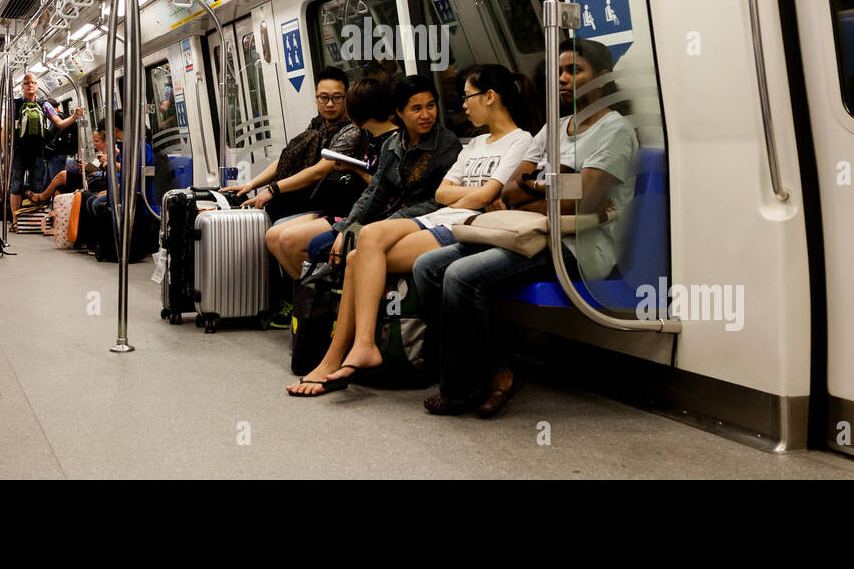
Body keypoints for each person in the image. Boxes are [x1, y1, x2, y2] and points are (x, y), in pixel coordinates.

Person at [413, 38, 637, 416]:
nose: (563, 78)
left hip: (582, 244)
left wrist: (541, 184)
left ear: (603, 77)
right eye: (559, 71)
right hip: (532, 231)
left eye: (574, 71)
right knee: (427, 267)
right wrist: (557, 181)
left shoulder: (614, 131)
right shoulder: (555, 127)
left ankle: (461, 389)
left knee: (462, 276)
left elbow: (584, 203)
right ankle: (497, 368)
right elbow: (513, 190)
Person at [289, 64, 535, 396]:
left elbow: (485, 194)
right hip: (443, 216)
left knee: (360, 254)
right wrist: (476, 194)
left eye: (466, 98)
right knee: (358, 250)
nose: (460, 106)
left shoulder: (514, 142)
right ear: (400, 113)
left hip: (463, 225)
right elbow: (442, 194)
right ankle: (345, 352)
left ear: (489, 97)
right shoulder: (473, 145)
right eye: (416, 108)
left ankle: (349, 353)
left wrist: (474, 194)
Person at [266, 75, 459, 282]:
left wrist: (365, 226)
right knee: (309, 241)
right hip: (380, 216)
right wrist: (348, 228)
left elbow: (432, 201)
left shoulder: (446, 145)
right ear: (400, 112)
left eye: (430, 106)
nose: (426, 115)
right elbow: (374, 192)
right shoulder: (394, 145)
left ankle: (330, 302)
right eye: (417, 109)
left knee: (325, 247)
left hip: (410, 220)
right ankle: (322, 303)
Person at [225, 66, 364, 221]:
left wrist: (273, 189)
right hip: (309, 198)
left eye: (337, 97)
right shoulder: (318, 125)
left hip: (333, 203)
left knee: (277, 228)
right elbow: (289, 158)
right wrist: (252, 184)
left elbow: (319, 171)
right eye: (324, 97)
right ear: (316, 98)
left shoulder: (351, 131)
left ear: (346, 98)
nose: (330, 104)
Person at [7, 72, 82, 219]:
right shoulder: (15, 105)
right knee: (16, 186)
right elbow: (7, 128)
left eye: (33, 83)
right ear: (22, 86)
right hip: (18, 150)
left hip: (38, 151)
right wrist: (5, 151)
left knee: (37, 185)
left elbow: (59, 123)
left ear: (37, 86)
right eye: (27, 82)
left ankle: (34, 220)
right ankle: (15, 220)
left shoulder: (45, 105)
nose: (30, 85)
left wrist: (74, 116)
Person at [81, 111, 156, 252]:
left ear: (115, 130)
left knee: (97, 203)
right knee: (93, 201)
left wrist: (111, 162)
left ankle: (117, 244)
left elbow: (134, 172)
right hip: (127, 186)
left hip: (139, 190)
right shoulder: (128, 145)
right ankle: (108, 242)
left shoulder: (139, 146)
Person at [29, 127, 107, 203]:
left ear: (105, 142)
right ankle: (57, 212)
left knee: (62, 175)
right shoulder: (101, 155)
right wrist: (86, 166)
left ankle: (42, 197)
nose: (94, 144)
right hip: (90, 178)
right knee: (58, 189)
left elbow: (106, 174)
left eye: (97, 141)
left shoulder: (111, 155)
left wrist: (95, 170)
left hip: (96, 181)